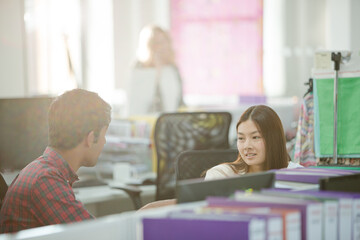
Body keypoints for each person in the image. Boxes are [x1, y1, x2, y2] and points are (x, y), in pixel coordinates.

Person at [0, 89, 111, 233]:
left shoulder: (42, 171)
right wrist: (139, 218)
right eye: (104, 134)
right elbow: (95, 236)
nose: (104, 141)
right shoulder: (45, 180)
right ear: (90, 139)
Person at [205, 105, 302, 180]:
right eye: (241, 138)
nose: (247, 146)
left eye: (255, 137)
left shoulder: (298, 175)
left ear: (274, 140)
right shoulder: (221, 175)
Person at [127, 24, 184, 116]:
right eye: (156, 43)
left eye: (163, 42)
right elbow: (137, 103)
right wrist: (157, 73)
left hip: (169, 122)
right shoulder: (139, 68)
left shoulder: (172, 69)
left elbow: (179, 102)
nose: (161, 47)